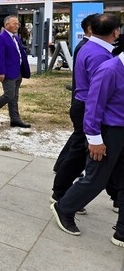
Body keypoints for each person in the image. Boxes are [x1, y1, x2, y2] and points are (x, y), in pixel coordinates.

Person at [51, 52, 124, 246]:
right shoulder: (110, 70)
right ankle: (64, 207)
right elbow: (93, 107)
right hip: (108, 132)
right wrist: (94, 139)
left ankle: (122, 230)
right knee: (96, 179)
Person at [51, 13, 120, 203]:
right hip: (87, 107)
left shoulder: (91, 47)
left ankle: (114, 193)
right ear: (116, 32)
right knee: (80, 153)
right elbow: (98, 92)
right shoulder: (99, 55)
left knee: (82, 151)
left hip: (84, 104)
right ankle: (60, 192)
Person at [53, 13, 99, 172]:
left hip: (80, 99)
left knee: (78, 136)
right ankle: (64, 168)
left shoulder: (85, 46)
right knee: (79, 138)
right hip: (82, 100)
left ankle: (62, 165)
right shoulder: (86, 47)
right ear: (91, 29)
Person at [0, 16, 31, 128]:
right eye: (14, 23)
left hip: (18, 71)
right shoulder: (1, 38)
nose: (17, 26)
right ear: (6, 25)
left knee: (14, 96)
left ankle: (15, 119)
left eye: (18, 24)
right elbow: (0, 56)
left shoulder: (16, 38)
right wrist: (1, 72)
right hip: (8, 72)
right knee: (9, 95)